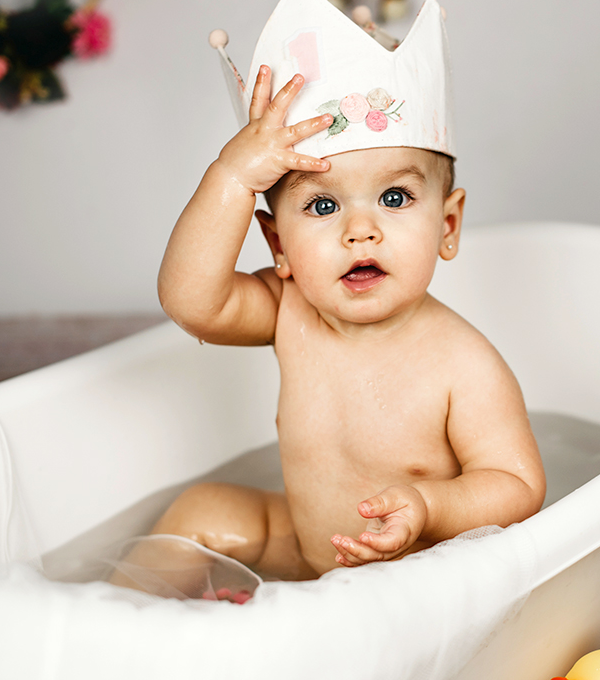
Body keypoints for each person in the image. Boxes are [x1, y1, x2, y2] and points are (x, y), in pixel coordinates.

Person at [150, 65, 545, 582]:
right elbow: (191, 303)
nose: (360, 231)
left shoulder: (463, 363)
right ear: (279, 245)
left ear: (447, 226)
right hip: (303, 547)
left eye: (394, 198)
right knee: (201, 510)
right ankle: (121, 635)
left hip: (407, 575)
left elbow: (518, 486)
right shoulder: (288, 308)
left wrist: (429, 506)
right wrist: (232, 178)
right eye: (322, 204)